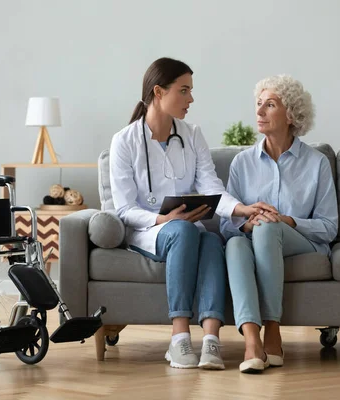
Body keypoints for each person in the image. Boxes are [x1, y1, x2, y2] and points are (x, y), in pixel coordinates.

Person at [109, 57, 276, 370]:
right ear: (159, 92)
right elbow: (124, 209)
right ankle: (179, 338)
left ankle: (211, 340)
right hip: (150, 231)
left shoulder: (192, 134)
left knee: (212, 240)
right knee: (186, 231)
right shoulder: (125, 142)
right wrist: (162, 220)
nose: (191, 99)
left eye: (191, 90)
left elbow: (212, 187)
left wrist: (241, 208)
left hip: (186, 229)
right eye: (184, 90)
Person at [220, 74, 338, 373]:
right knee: (234, 244)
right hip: (252, 238)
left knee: (268, 226)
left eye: (269, 105)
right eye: (258, 104)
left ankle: (272, 327)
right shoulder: (241, 163)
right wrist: (246, 223)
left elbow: (328, 227)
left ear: (291, 114)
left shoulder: (316, 163)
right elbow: (226, 225)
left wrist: (286, 221)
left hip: (302, 244)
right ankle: (251, 341)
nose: (259, 112)